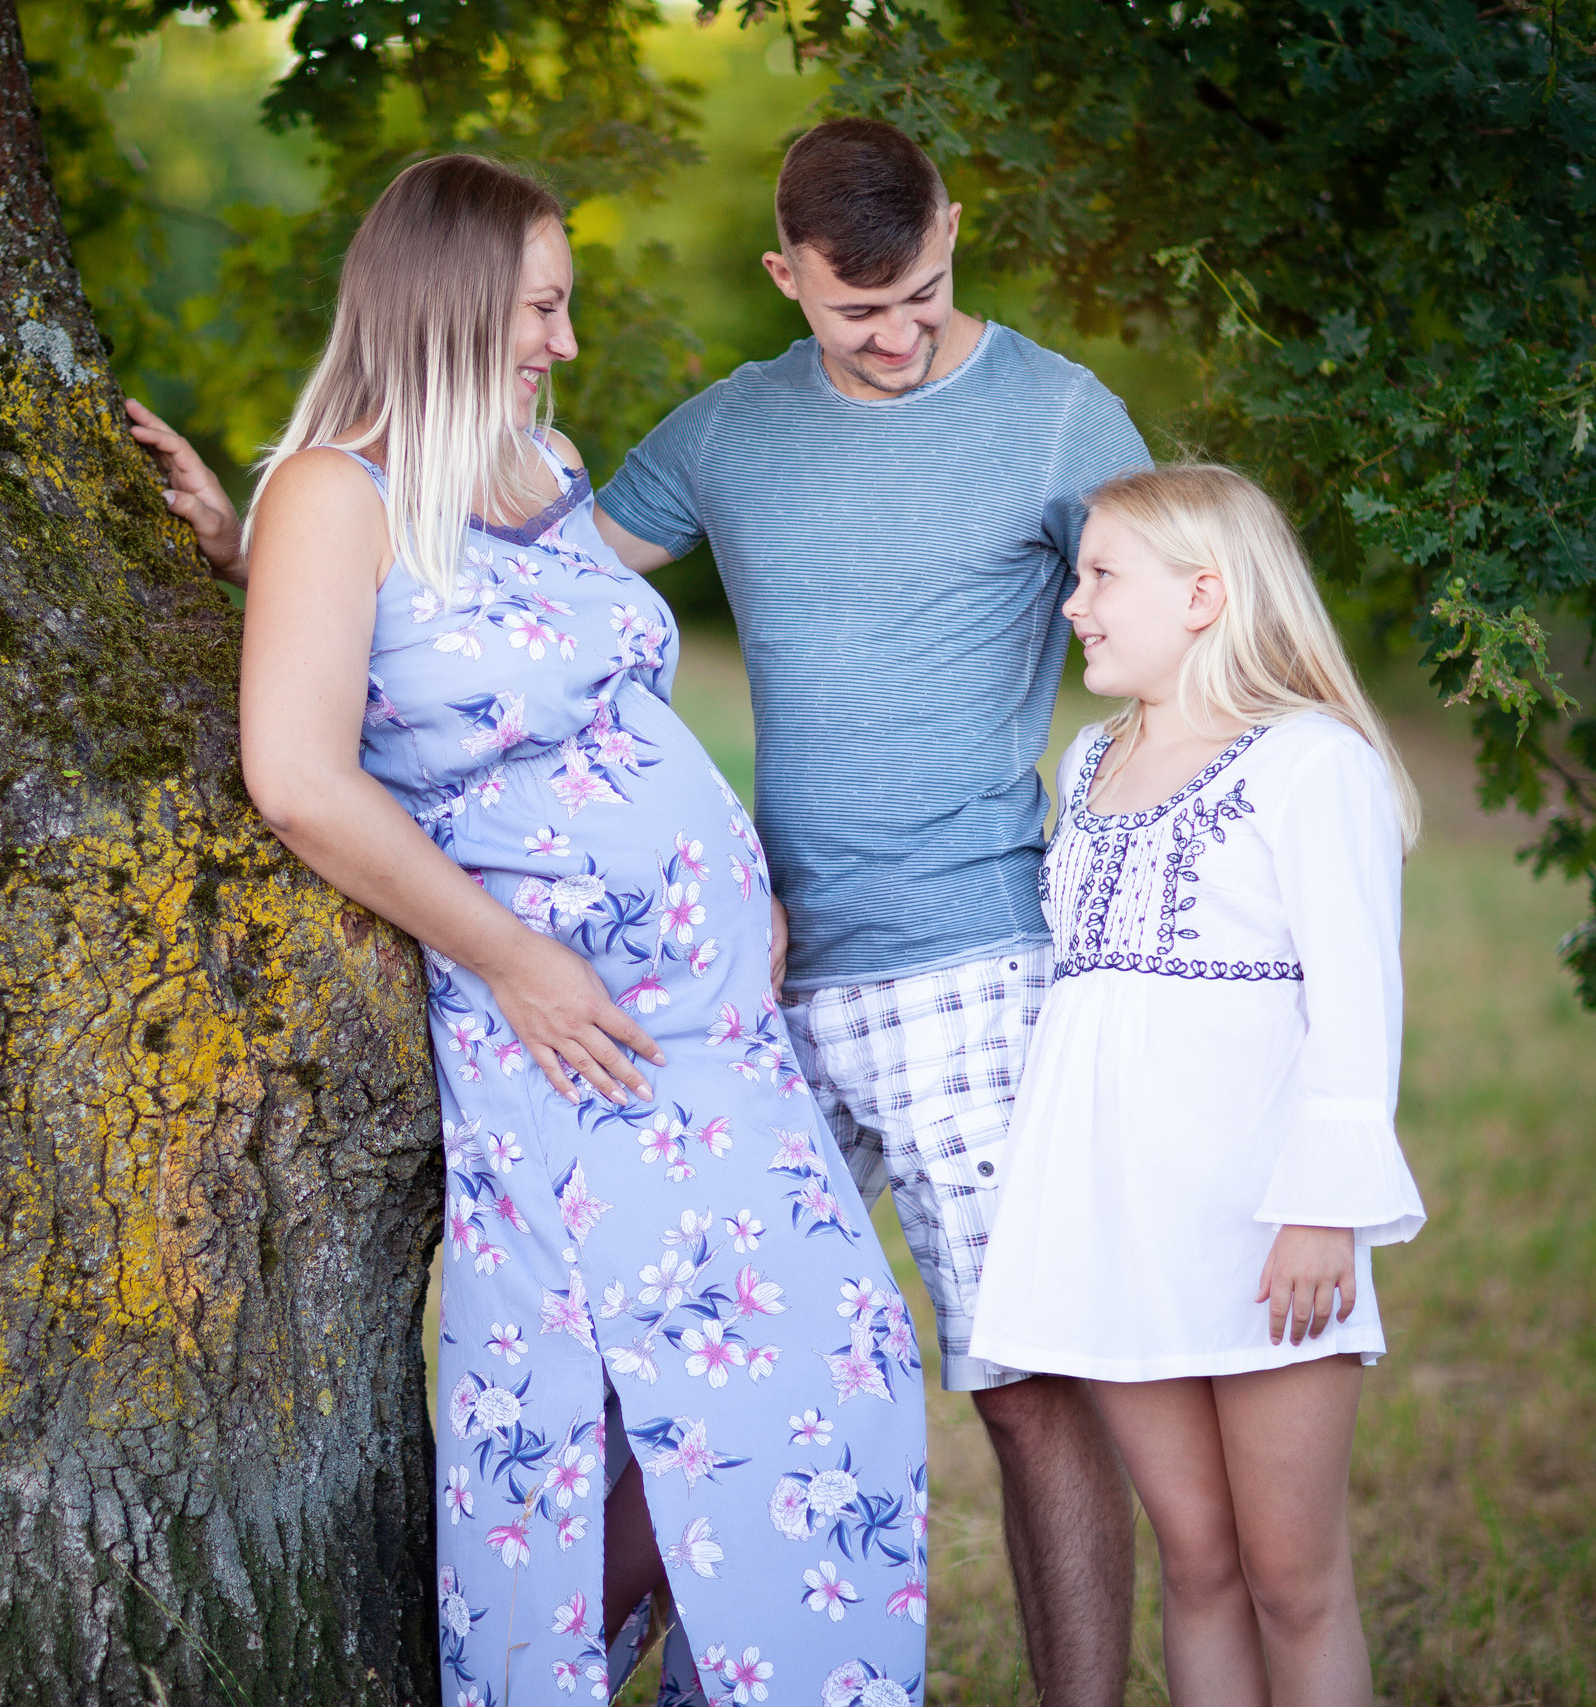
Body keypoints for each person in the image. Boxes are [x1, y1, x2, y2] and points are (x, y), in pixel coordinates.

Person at [142, 153, 931, 1707]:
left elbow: (579, 689)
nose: (566, 342)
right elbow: (298, 773)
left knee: (833, 1378)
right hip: (574, 1041)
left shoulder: (537, 466)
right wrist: (513, 957)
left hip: (716, 1022)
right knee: (590, 1417)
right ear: (444, 308)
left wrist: (743, 873)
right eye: (541, 309)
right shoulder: (329, 490)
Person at [588, 118, 1152, 1704]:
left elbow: (1188, 625)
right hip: (759, 987)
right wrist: (272, 552)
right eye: (858, 312)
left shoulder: (1057, 417)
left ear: (955, 231)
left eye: (925, 293)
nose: (900, 337)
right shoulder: (723, 433)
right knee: (704, 1373)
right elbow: (538, 599)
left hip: (976, 969)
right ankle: (558, 1672)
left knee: (1029, 1384)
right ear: (786, 279)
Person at [969, 465, 1425, 1705]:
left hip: (1262, 1222)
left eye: (1103, 576)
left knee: (1291, 1577)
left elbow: (1355, 1003)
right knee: (1199, 1562)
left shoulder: (1307, 763)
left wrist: (1323, 1206)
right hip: (1121, 1220)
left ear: (1205, 595)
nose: (1075, 604)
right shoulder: (1092, 759)